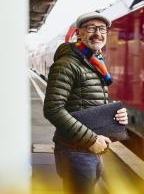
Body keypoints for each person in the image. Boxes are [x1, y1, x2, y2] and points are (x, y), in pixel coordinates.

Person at [43, 11, 128, 194]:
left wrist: (116, 114)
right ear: (79, 33)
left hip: (89, 150)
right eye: (91, 28)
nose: (97, 33)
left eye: (102, 29)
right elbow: (52, 108)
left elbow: (87, 100)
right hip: (76, 151)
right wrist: (91, 139)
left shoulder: (93, 62)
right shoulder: (67, 64)